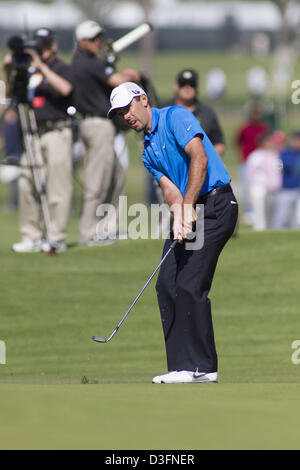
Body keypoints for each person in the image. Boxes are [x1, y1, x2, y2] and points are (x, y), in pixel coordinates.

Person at [108, 82, 238, 384]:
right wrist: (180, 214)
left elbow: (199, 159)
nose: (126, 117)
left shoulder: (175, 116)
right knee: (167, 284)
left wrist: (189, 205)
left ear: (143, 99)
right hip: (192, 208)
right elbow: (169, 190)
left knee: (190, 284)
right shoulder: (148, 151)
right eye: (119, 114)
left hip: (218, 204)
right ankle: (181, 366)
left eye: (128, 108)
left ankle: (204, 367)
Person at [72, 20, 141, 246]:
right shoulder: (89, 63)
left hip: (102, 125)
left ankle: (107, 228)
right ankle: (88, 232)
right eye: (93, 39)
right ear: (81, 41)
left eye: (98, 38)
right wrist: (131, 74)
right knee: (97, 179)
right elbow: (119, 82)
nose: (97, 42)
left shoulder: (88, 62)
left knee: (116, 176)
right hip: (97, 124)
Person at [5, 28, 74, 253]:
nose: (39, 50)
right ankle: (31, 235)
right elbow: (10, 93)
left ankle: (56, 236)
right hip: (32, 132)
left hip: (57, 130)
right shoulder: (27, 71)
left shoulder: (61, 68)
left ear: (52, 46)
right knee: (27, 182)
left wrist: (41, 67)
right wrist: (9, 69)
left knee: (57, 186)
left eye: (43, 46)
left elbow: (65, 88)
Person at [162, 68, 225, 157]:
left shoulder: (207, 113)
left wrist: (207, 161)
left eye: (192, 84)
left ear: (197, 87)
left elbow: (219, 143)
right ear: (176, 86)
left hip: (200, 166)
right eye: (183, 84)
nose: (187, 88)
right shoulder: (164, 111)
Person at [236, 107, 269, 223]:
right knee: (247, 187)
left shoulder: (264, 127)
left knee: (262, 186)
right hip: (246, 162)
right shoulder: (245, 128)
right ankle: (249, 211)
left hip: (261, 161)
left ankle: (261, 210)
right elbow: (238, 142)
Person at [246, 132, 282, 231]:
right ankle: (259, 229)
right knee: (260, 212)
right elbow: (250, 175)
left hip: (272, 188)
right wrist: (250, 193)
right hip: (259, 187)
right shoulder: (255, 156)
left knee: (272, 213)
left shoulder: (273, 154)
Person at [271, 130, 300, 229]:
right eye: (295, 140)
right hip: (285, 189)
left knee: (296, 218)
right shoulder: (285, 153)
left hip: (297, 189)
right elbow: (282, 167)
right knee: (281, 216)